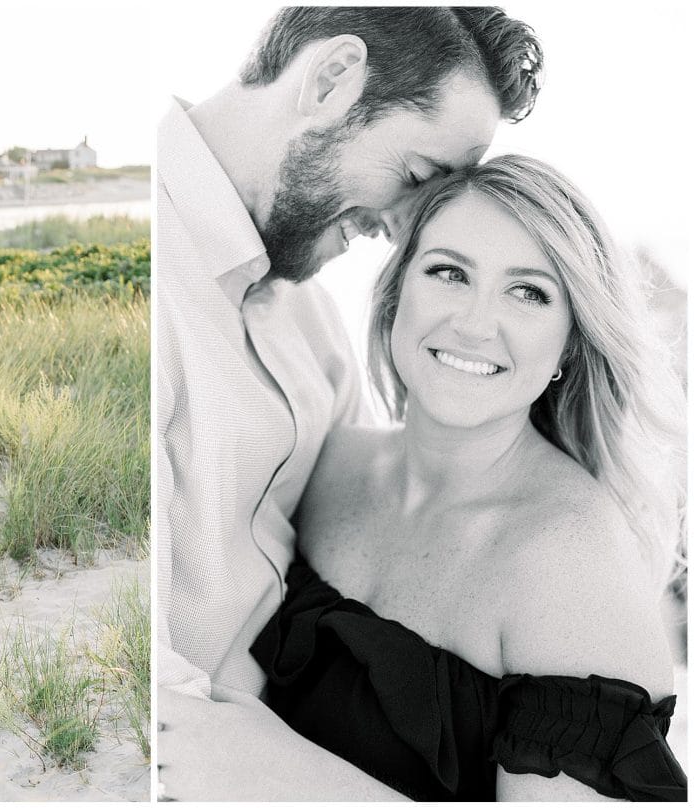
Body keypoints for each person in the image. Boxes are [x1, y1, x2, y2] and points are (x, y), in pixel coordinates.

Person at [157, 6, 543, 799]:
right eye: (415, 179)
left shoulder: (310, 318)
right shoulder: (151, 279)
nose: (407, 235)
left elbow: (376, 528)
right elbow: (150, 703)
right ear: (332, 79)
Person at [251, 154, 687, 801]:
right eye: (450, 272)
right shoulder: (329, 463)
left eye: (528, 291)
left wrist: (259, 766)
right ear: (398, 292)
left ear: (569, 343)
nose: (475, 324)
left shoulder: (572, 559)